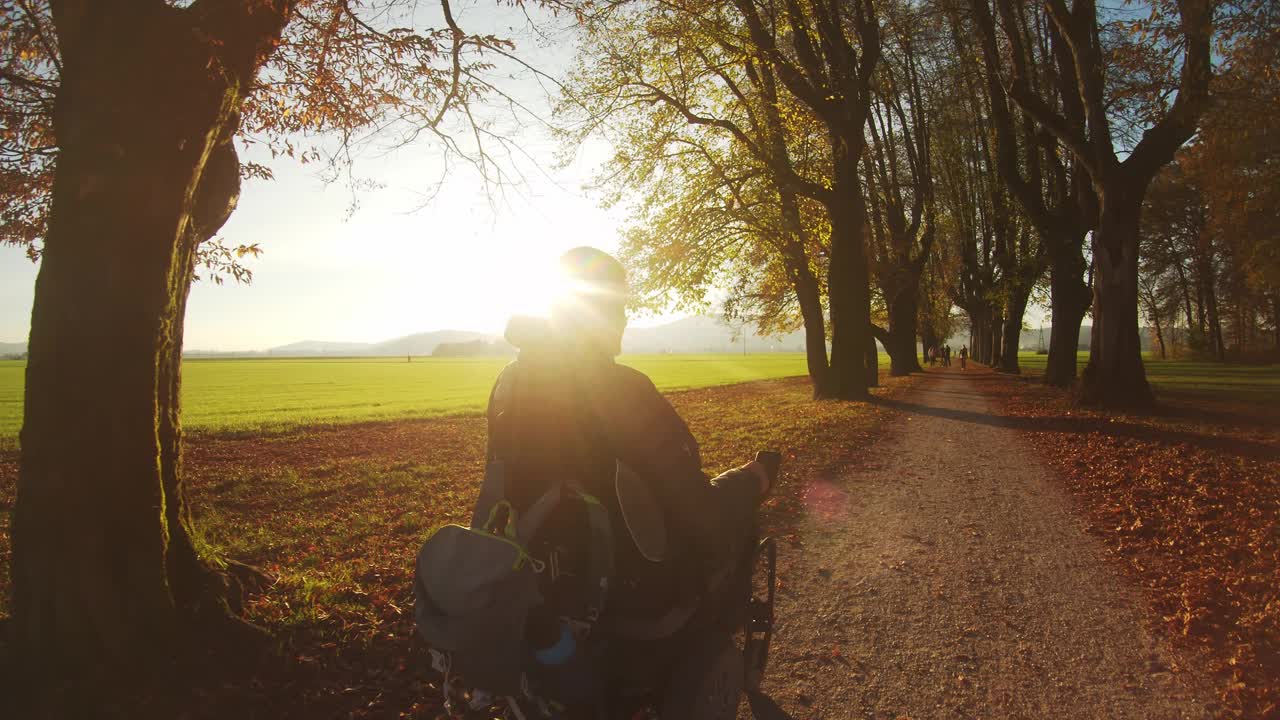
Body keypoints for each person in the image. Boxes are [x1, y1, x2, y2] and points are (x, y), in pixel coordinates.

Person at [486, 247, 774, 666]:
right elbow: (699, 511)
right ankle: (718, 660)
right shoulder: (623, 390)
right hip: (636, 591)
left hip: (543, 578)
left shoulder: (509, 384)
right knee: (732, 522)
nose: (624, 319)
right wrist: (753, 479)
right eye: (618, 307)